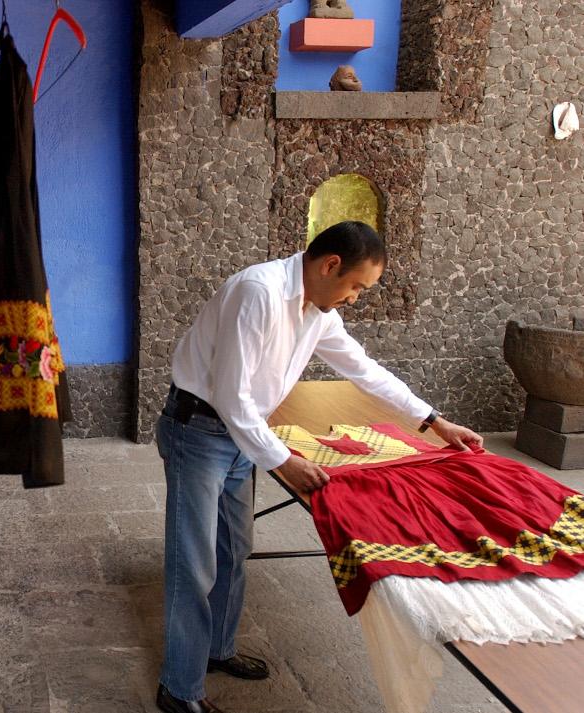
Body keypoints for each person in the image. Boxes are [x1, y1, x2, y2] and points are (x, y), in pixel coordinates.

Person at [153, 221, 483, 713]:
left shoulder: (317, 310)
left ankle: (217, 649)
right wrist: (285, 461)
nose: (356, 297)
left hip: (244, 434)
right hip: (199, 432)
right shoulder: (257, 292)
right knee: (194, 562)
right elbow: (230, 396)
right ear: (330, 265)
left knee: (234, 548)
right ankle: (179, 689)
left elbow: (363, 369)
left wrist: (434, 421)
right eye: (356, 286)